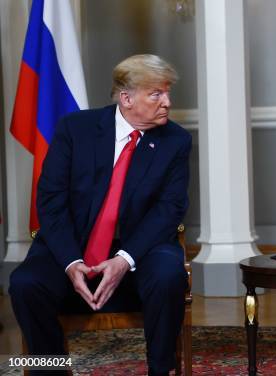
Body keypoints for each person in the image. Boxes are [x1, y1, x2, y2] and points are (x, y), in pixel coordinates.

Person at [10, 54, 191, 376]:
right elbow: (50, 200)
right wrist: (70, 260)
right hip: (74, 242)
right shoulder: (75, 129)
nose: (167, 102)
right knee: (24, 283)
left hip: (141, 245)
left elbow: (169, 208)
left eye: (166, 93)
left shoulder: (175, 140)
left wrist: (124, 259)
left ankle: (161, 370)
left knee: (168, 276)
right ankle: (49, 370)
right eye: (156, 94)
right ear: (127, 98)